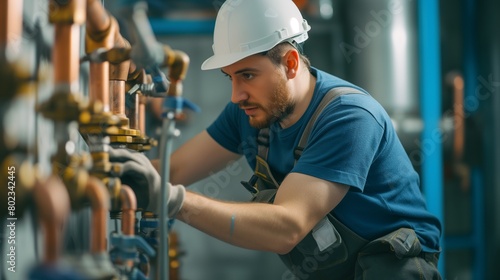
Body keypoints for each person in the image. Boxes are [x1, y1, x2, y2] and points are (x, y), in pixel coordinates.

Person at [110, 0, 442, 279]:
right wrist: (115, 176)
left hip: (393, 269)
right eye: (230, 77)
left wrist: (173, 201)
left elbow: (288, 226)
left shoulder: (349, 117)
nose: (237, 94)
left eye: (248, 75)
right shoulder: (250, 112)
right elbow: (174, 168)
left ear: (290, 63)